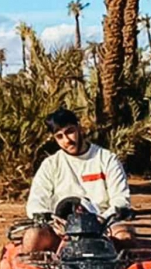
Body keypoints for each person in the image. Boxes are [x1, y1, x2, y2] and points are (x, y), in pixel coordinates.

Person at [22, 107, 132, 253]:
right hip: (63, 231)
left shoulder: (106, 159)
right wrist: (51, 220)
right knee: (32, 236)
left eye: (70, 132)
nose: (67, 140)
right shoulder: (50, 164)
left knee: (124, 236)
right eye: (59, 136)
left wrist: (103, 218)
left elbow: (121, 199)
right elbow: (36, 201)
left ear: (80, 129)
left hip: (104, 227)